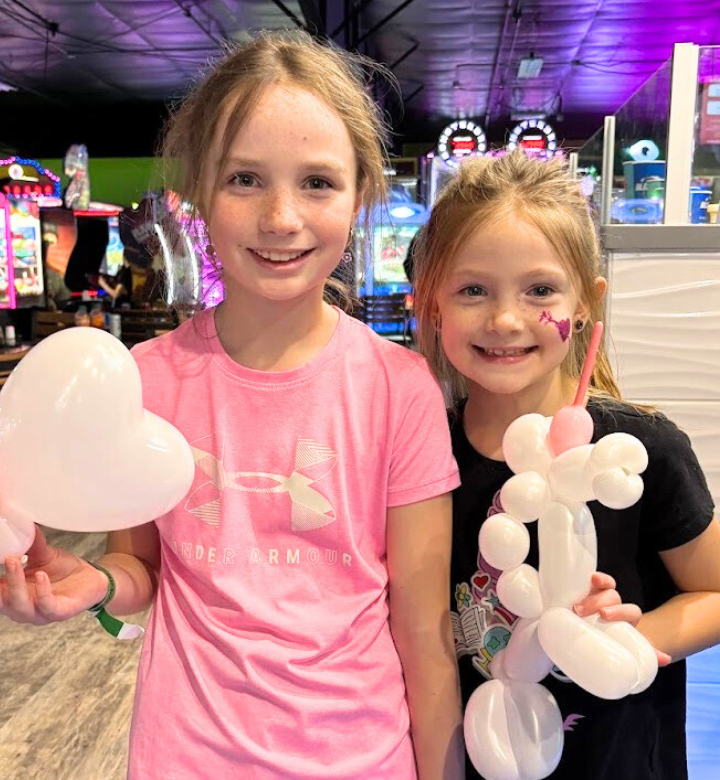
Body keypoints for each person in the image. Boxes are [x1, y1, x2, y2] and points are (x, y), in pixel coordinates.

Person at [0, 32, 464, 780]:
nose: (281, 217)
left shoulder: (398, 387)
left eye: (318, 182)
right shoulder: (147, 379)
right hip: (186, 755)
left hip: (361, 757)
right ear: (199, 196)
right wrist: (93, 585)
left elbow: (422, 627)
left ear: (360, 195)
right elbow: (139, 568)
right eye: (245, 178)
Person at [413, 150, 720, 780]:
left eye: (540, 291)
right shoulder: (419, 458)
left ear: (586, 301)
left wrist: (629, 638)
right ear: (432, 303)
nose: (504, 319)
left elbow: (714, 591)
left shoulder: (644, 453)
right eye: (473, 289)